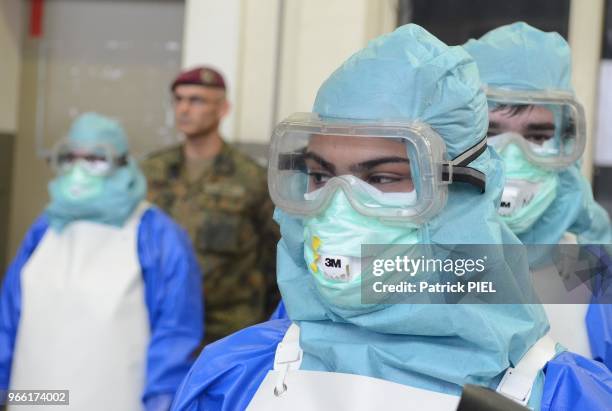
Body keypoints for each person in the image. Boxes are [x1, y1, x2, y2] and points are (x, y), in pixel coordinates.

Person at [170, 25, 612, 411]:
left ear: (471, 181)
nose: (340, 206)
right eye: (320, 175)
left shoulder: (586, 285)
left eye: (382, 178)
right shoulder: (240, 369)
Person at [0, 113, 203, 411]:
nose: (80, 172)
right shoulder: (45, 228)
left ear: (122, 164)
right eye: (70, 159)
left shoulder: (155, 234)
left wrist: (163, 403)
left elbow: (174, 335)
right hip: (33, 396)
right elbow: (8, 318)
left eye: (95, 160)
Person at [464, 22, 612, 368]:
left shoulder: (590, 268)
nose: (512, 156)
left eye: (538, 136)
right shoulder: (413, 263)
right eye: (490, 134)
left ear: (566, 141)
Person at [141, 67, 280, 344]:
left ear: (222, 108)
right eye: (178, 100)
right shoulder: (150, 171)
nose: (183, 109)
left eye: (196, 101)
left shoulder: (251, 178)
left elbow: (275, 257)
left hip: (224, 328)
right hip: (158, 323)